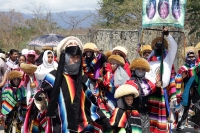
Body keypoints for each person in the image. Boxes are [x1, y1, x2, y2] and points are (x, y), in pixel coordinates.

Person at [24, 36, 111, 133]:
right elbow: (42, 101)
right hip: (59, 126)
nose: (75, 60)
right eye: (72, 56)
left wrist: (102, 118)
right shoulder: (52, 77)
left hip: (82, 127)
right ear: (64, 54)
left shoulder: (84, 78)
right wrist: (39, 98)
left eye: (77, 57)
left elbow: (90, 103)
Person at [146, 28, 178, 133]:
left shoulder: (168, 58)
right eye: (157, 45)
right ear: (154, 47)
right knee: (151, 116)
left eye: (161, 44)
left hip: (163, 91)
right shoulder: (150, 60)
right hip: (152, 91)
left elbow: (174, 47)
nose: (159, 46)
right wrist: (153, 82)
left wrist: (168, 35)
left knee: (165, 115)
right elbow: (147, 74)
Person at [127, 58, 157, 133]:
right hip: (134, 113)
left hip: (146, 113)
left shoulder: (149, 83)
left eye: (142, 69)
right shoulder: (130, 83)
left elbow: (154, 89)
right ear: (134, 69)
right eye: (138, 69)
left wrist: (159, 86)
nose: (140, 71)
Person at [175, 46, 200, 132]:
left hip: (196, 90)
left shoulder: (197, 66)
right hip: (187, 90)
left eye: (193, 56)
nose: (191, 58)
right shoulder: (183, 68)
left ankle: (197, 124)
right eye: (189, 56)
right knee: (185, 109)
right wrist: (182, 77)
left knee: (198, 106)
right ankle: (180, 125)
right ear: (186, 57)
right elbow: (177, 79)